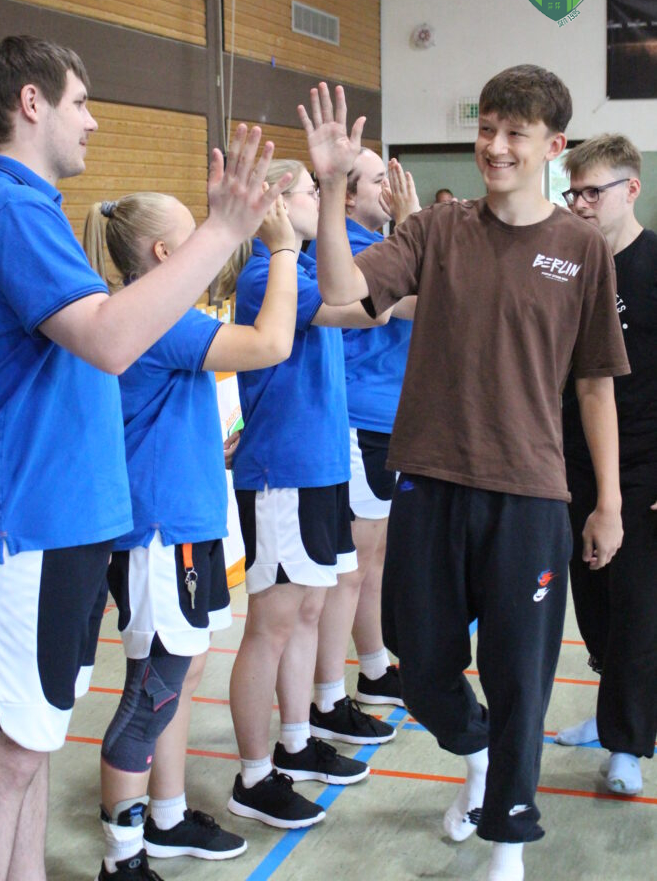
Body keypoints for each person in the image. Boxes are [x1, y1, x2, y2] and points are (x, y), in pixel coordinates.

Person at [300, 70, 628, 881]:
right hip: (430, 480)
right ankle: (475, 752)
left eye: (515, 133)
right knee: (417, 666)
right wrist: (333, 186)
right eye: (486, 128)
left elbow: (594, 385)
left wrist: (609, 502)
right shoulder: (437, 230)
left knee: (520, 677)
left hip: (529, 494)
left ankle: (507, 839)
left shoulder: (580, 248)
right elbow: (341, 291)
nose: (495, 146)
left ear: (552, 146)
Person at [0, 35, 286, 881]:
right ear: (31, 102)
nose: (93, 121)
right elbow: (111, 339)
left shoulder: (29, 210)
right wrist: (223, 230)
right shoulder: (8, 207)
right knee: (5, 756)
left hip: (63, 525)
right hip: (25, 525)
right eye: (80, 102)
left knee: (32, 744)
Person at [82, 190, 298, 880]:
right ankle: (123, 858)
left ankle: (166, 818)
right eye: (196, 229)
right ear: (164, 253)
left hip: (182, 524)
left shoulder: (154, 313)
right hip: (159, 531)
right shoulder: (158, 316)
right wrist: (283, 247)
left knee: (181, 672)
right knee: (152, 691)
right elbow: (272, 343)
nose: (212, 236)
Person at [217, 160, 393, 830]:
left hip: (319, 469)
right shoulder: (269, 273)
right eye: (311, 192)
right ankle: (253, 776)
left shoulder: (304, 268)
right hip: (282, 473)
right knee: (271, 625)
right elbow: (365, 310)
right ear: (274, 205)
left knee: (310, 611)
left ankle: (294, 742)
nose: (323, 200)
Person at [555, 134, 657, 797]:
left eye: (594, 191)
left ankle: (626, 741)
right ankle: (610, 710)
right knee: (592, 599)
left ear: (631, 189)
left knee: (637, 605)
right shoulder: (569, 267)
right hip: (574, 459)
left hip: (644, 462)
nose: (581, 204)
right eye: (574, 193)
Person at [309, 149, 417, 721]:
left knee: (374, 562)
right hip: (359, 420)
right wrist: (416, 225)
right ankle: (327, 695)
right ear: (347, 195)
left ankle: (373, 669)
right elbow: (420, 302)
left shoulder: (383, 242)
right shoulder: (346, 249)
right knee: (348, 570)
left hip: (389, 421)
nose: (391, 187)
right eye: (380, 180)